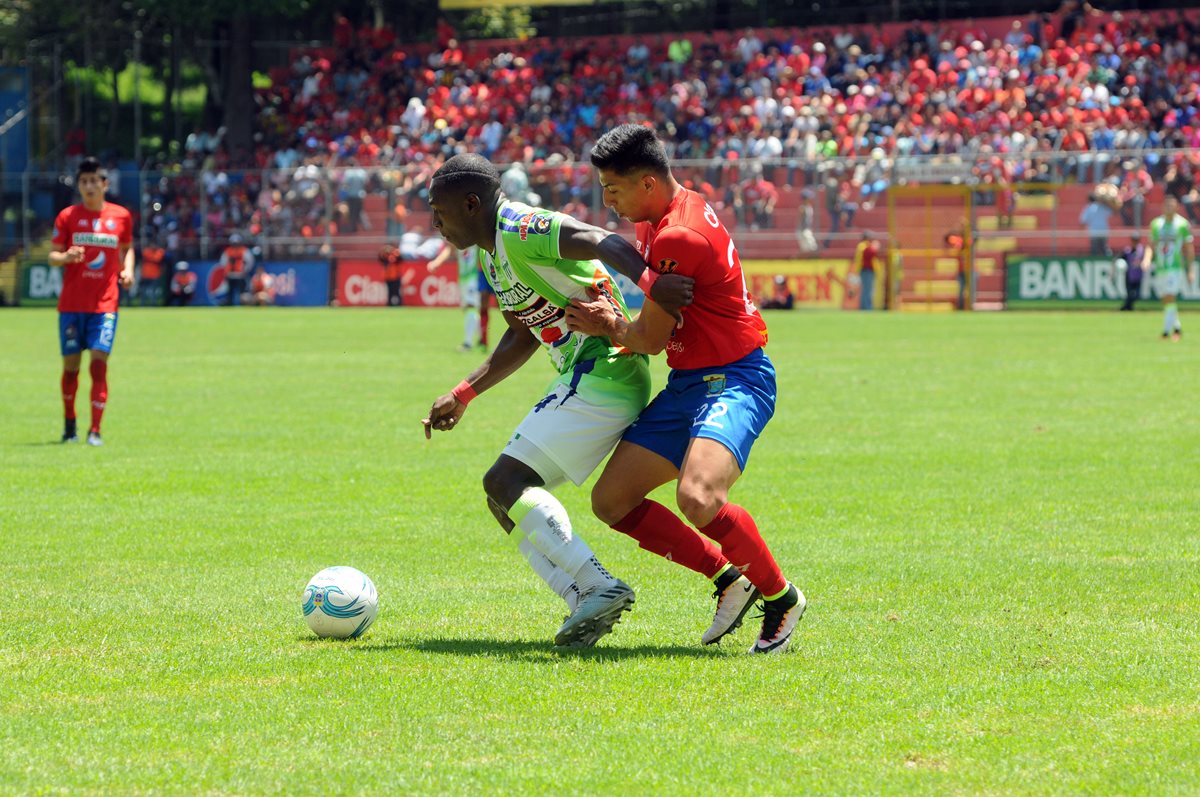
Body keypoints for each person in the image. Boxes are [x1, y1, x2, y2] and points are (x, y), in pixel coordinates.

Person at [421, 153, 693, 648]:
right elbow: (522, 335)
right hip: (586, 373)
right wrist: (465, 393)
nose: (434, 223)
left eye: (439, 211)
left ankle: (597, 586)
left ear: (471, 203)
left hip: (605, 366)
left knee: (505, 480)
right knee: (501, 500)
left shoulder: (522, 227)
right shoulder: (490, 252)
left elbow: (599, 239)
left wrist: (652, 286)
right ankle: (583, 602)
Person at [565, 124, 805, 655]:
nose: (606, 200)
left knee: (698, 497)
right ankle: (727, 578)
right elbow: (661, 324)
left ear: (647, 183)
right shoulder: (669, 213)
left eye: (613, 188)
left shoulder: (676, 235)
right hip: (690, 381)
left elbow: (649, 338)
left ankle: (781, 598)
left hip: (737, 377)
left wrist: (607, 324)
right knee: (612, 501)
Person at [47, 156, 134, 446]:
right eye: (83, 181)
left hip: (105, 305)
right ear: (79, 186)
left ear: (104, 184)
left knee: (98, 365)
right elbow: (53, 256)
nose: (89, 186)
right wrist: (66, 257)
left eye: (94, 180)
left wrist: (128, 269)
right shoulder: (68, 216)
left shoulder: (121, 216)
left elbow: (127, 248)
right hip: (72, 306)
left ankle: (95, 430)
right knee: (71, 368)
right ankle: (70, 424)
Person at [1143, 195, 1196, 341]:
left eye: (1172, 205)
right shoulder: (1156, 224)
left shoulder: (1182, 225)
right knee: (1166, 300)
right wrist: (1147, 259)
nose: (1169, 208)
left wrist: (1190, 269)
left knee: (1170, 296)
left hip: (1175, 267)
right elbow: (1151, 245)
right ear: (1162, 207)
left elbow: (1189, 248)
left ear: (1177, 207)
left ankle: (1166, 332)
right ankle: (1177, 327)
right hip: (1160, 267)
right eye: (1167, 205)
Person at [427, 242, 482, 351]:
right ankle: (481, 340)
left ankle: (468, 343)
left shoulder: (476, 232)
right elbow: (450, 248)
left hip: (474, 276)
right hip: (463, 277)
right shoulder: (459, 232)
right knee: (468, 309)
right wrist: (437, 262)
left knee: (471, 307)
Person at [218, 233, 254, 306]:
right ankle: (230, 305)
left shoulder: (244, 251)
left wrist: (245, 270)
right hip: (230, 275)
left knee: (242, 293)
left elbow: (250, 262)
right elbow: (222, 263)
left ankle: (243, 305)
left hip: (240, 275)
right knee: (229, 292)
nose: (235, 245)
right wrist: (226, 272)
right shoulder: (227, 251)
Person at [853, 231, 883, 311]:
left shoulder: (863, 245)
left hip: (866, 270)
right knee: (867, 289)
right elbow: (869, 253)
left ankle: (864, 307)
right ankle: (867, 307)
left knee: (866, 289)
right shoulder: (863, 245)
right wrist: (875, 247)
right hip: (866, 270)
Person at [1118, 233, 1147, 312]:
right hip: (1129, 276)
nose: (1135, 242)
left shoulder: (1142, 250)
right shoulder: (1127, 250)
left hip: (1138, 276)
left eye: (1136, 240)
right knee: (1129, 294)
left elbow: (1146, 259)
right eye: (1133, 240)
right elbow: (1119, 259)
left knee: (1137, 295)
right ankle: (1129, 308)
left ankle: (1125, 307)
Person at [1080, 192, 1113, 257]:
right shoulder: (1102, 207)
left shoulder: (1088, 208)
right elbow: (1111, 212)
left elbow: (1083, 221)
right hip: (1103, 231)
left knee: (1094, 250)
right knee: (1104, 248)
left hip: (1094, 232)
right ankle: (1106, 260)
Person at [138, 239, 167, 306]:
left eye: (155, 245)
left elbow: (157, 259)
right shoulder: (147, 251)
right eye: (152, 245)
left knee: (154, 290)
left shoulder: (159, 252)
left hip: (155, 275)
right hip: (145, 274)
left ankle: (153, 304)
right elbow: (145, 255)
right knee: (143, 290)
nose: (153, 246)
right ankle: (142, 304)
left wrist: (152, 258)